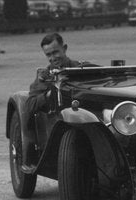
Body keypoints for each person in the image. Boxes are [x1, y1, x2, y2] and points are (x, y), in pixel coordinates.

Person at [19, 32, 86, 166]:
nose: (53, 58)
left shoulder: (82, 68)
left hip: (85, 121)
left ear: (64, 48)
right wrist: (49, 95)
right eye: (48, 55)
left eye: (55, 52)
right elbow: (30, 105)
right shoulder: (44, 76)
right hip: (58, 131)